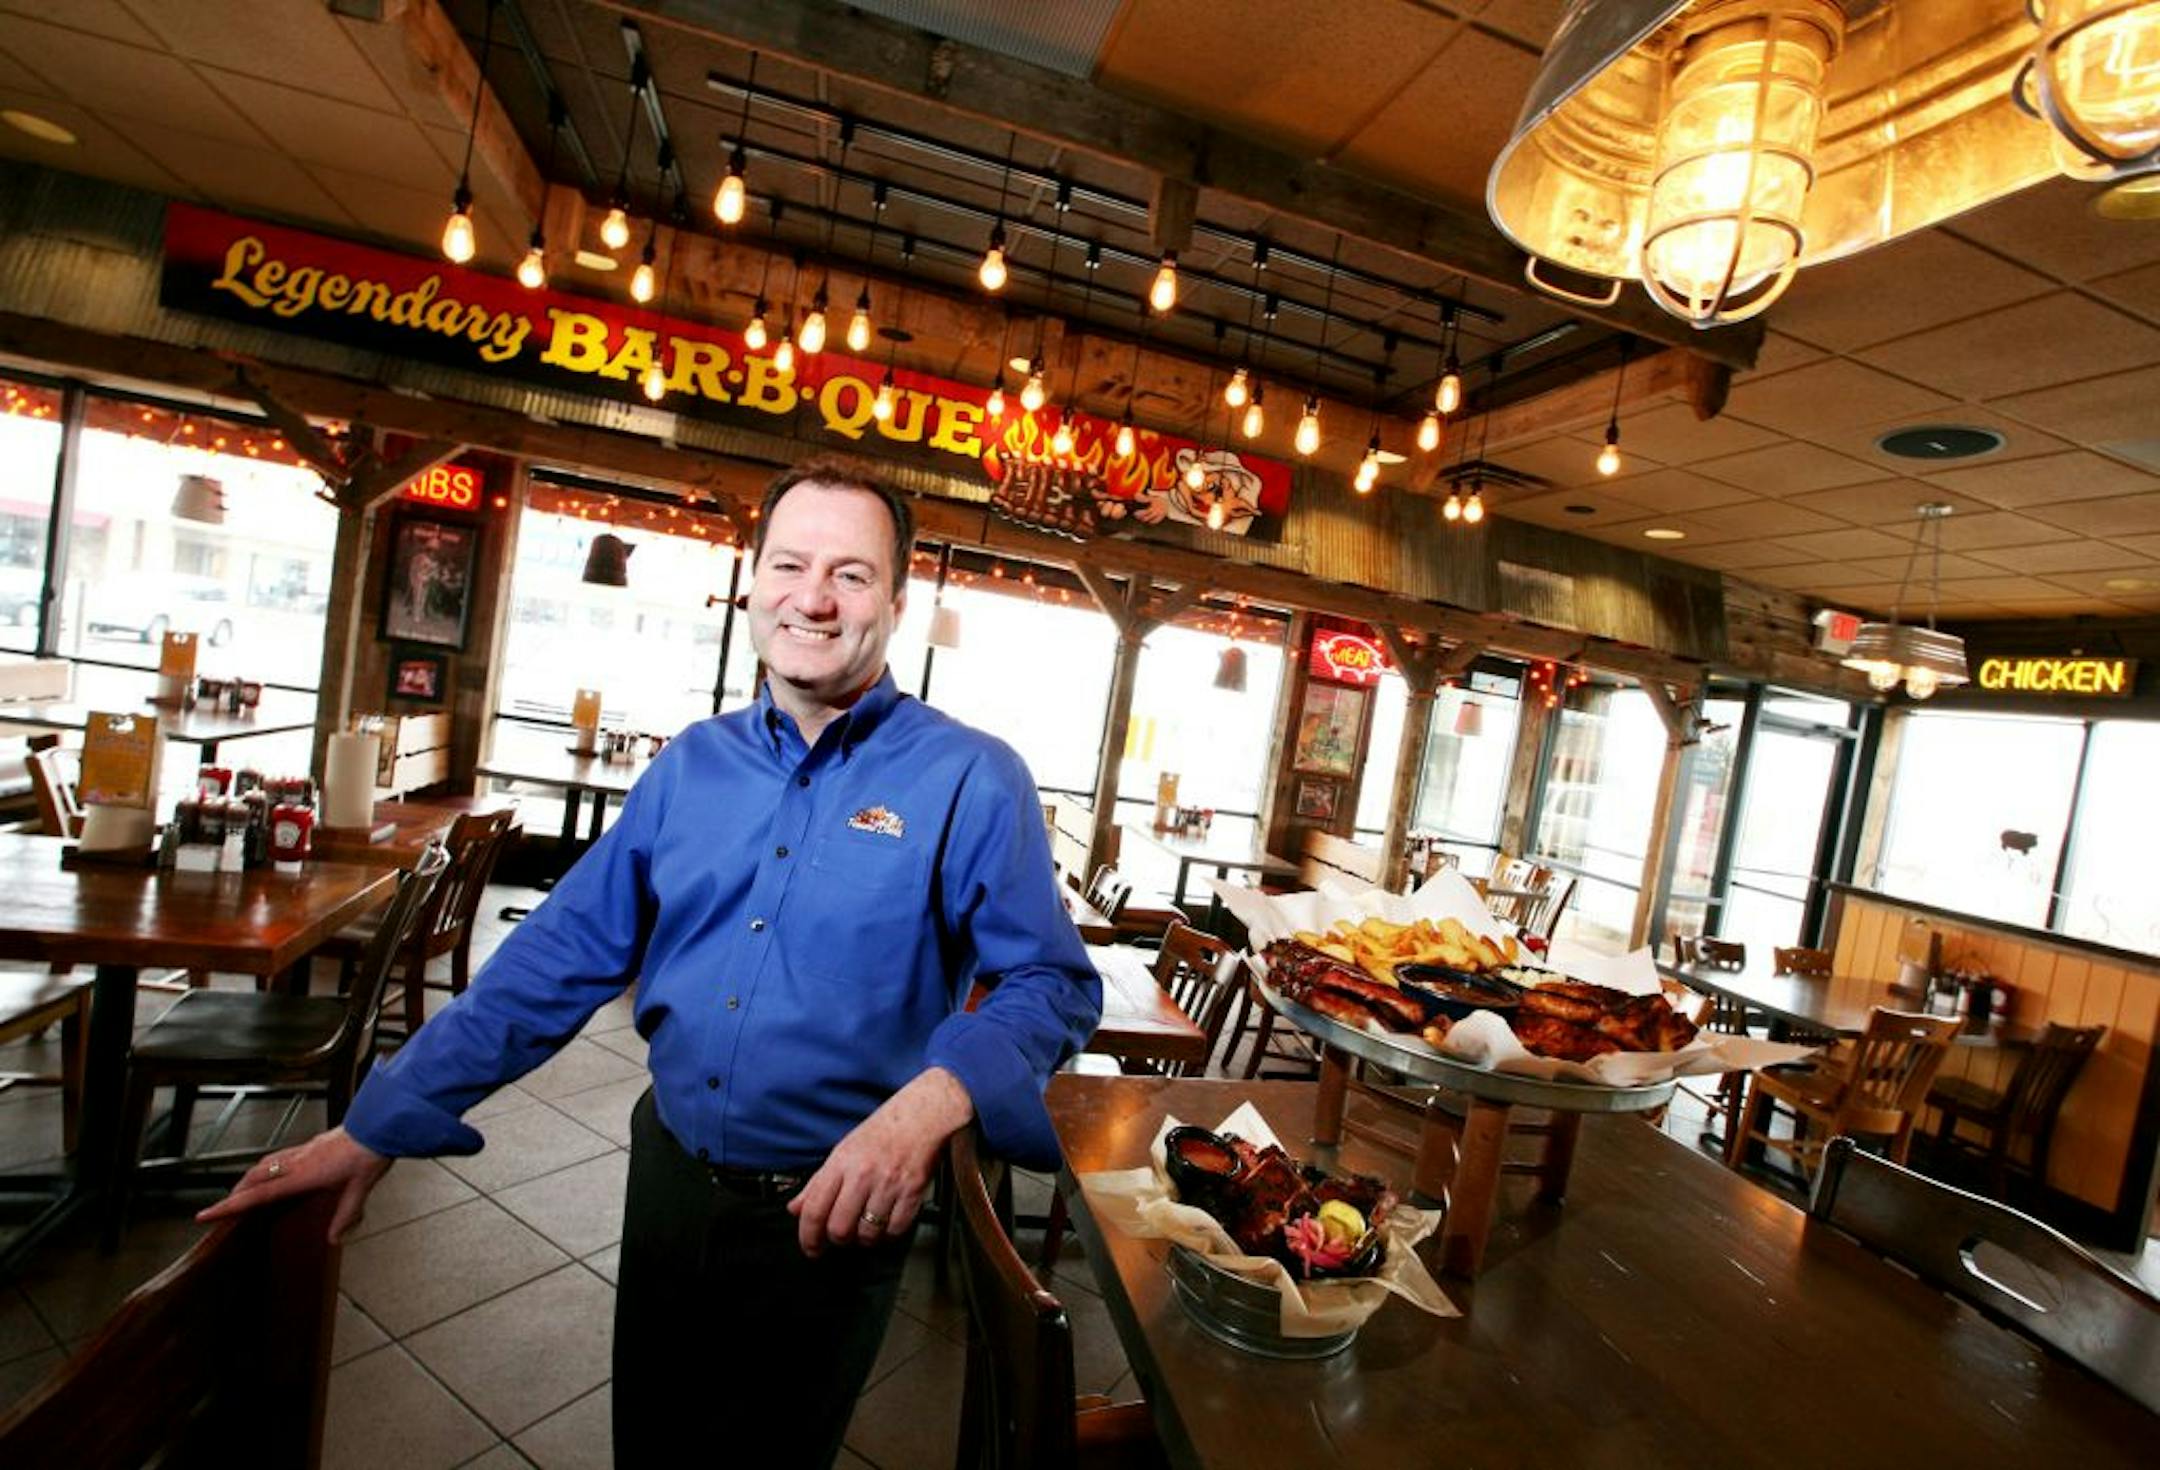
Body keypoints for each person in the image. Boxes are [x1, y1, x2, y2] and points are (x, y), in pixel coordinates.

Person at [203, 455, 1104, 1468]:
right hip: (668, 1184)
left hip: (830, 1217)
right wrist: (374, 1124)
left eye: (851, 575)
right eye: (789, 565)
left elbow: (1052, 983)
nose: (812, 597)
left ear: (896, 601)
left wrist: (930, 1105)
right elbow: (557, 956)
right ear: (752, 581)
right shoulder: (691, 764)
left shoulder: (972, 778)